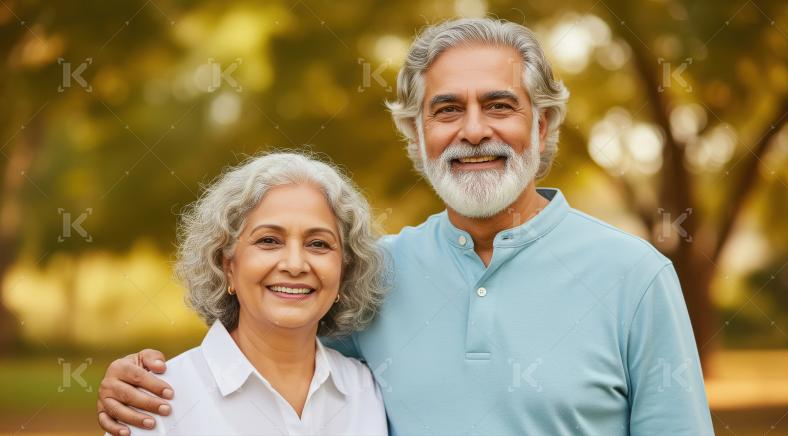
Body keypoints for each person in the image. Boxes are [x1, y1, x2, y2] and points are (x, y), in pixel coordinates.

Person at [98, 18, 714, 435]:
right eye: (446, 110)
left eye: (499, 105)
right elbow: (262, 346)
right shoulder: (370, 276)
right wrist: (138, 381)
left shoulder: (634, 278)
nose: (473, 130)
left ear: (544, 127)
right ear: (417, 136)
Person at [112, 152, 388, 435]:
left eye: (318, 244)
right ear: (227, 264)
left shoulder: (368, 391)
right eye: (269, 240)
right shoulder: (156, 401)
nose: (294, 264)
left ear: (344, 270)